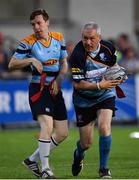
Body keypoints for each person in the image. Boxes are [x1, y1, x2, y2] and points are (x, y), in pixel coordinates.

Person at [8, 9, 68, 179]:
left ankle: (31, 160)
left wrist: (59, 79)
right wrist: (31, 60)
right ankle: (46, 170)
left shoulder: (58, 37)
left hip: (55, 87)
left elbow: (64, 62)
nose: (36, 27)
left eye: (39, 23)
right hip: (39, 88)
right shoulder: (28, 42)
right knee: (47, 126)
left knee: (62, 133)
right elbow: (12, 64)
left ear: (47, 23)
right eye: (33, 24)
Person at [69, 22, 127, 178]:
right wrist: (100, 85)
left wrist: (119, 74)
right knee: (86, 144)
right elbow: (78, 84)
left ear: (99, 38)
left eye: (92, 38)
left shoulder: (109, 48)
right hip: (83, 100)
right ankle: (78, 155)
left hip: (105, 95)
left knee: (104, 127)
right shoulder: (77, 55)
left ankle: (103, 169)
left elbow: (114, 65)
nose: (88, 42)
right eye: (85, 38)